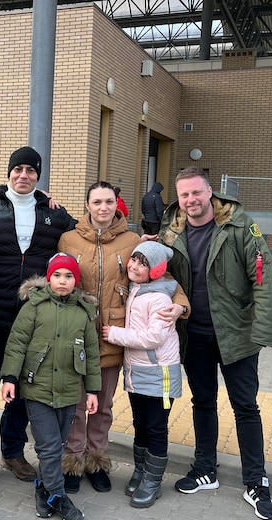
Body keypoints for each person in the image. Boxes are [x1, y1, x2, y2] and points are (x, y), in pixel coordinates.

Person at [158, 166, 272, 520]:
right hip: (194, 334)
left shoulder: (240, 227)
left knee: (246, 407)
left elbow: (263, 278)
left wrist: (263, 331)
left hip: (237, 335)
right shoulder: (172, 233)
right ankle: (205, 469)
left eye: (197, 192)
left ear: (210, 192)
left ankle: (256, 481)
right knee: (203, 402)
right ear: (178, 200)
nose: (191, 200)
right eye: (184, 195)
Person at [57, 181, 188, 494]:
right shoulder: (67, 239)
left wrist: (181, 304)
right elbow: (56, 278)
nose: (103, 208)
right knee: (74, 405)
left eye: (109, 202)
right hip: (77, 335)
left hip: (114, 338)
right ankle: (72, 461)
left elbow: (163, 277)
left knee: (102, 406)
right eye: (97, 202)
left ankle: (95, 460)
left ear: (117, 204)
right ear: (87, 205)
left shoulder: (132, 240)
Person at [0, 146, 76, 488]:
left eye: (30, 170)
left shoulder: (53, 212)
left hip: (33, 321)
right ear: (9, 172)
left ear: (39, 175)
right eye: (18, 169)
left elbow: (84, 237)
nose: (23, 175)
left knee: (23, 392)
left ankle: (12, 452)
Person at [0, 253, 101, 520]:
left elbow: (91, 354)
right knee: (47, 445)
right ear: (49, 277)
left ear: (75, 281)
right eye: (57, 275)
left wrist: (92, 391)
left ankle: (42, 489)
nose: (62, 281)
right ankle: (59, 497)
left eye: (68, 276)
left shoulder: (83, 311)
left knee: (57, 445)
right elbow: (17, 342)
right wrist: (9, 378)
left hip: (70, 391)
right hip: (37, 388)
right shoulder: (34, 305)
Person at [102, 241, 183, 509]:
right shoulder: (136, 290)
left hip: (159, 373)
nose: (135, 267)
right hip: (137, 372)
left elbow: (154, 337)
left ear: (157, 271)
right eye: (134, 260)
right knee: (140, 424)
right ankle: (140, 471)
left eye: (143, 263)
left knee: (156, 428)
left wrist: (115, 334)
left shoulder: (159, 297)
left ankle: (153, 481)